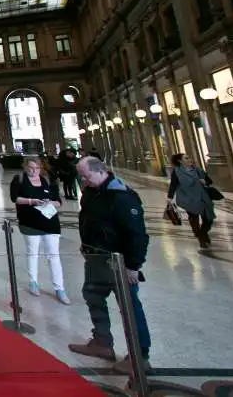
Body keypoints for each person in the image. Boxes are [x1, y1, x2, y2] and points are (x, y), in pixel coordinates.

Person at [69, 157, 151, 375]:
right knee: (93, 297)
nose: (83, 181)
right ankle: (102, 343)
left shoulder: (122, 196)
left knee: (129, 306)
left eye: (86, 176)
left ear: (100, 171)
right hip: (94, 258)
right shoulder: (90, 192)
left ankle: (140, 356)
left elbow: (137, 235)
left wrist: (133, 266)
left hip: (117, 261)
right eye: (82, 177)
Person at [10, 159, 69, 304]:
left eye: (37, 168)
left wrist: (49, 202)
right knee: (33, 252)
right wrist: (32, 201)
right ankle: (33, 282)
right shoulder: (19, 180)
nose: (34, 170)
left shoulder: (48, 180)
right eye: (31, 167)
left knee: (53, 255)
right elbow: (14, 198)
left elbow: (58, 201)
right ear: (25, 167)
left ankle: (60, 288)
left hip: (50, 222)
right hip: (30, 222)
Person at [168, 153, 215, 249]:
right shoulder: (177, 171)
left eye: (189, 157)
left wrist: (204, 181)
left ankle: (202, 233)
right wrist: (170, 197)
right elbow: (173, 184)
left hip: (203, 197)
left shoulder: (198, 170)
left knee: (208, 219)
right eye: (186, 158)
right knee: (193, 217)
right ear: (180, 161)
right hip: (188, 198)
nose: (190, 159)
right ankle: (201, 237)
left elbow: (209, 181)